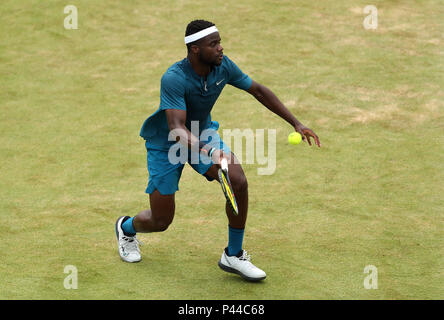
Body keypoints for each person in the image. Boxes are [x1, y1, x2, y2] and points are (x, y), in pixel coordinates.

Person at [115, 19, 321, 282]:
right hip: (166, 143)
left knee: (237, 181)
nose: (220, 48)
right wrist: (209, 152)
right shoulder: (174, 78)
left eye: (220, 42)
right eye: (214, 44)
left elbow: (257, 90)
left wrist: (296, 122)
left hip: (202, 133)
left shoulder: (223, 67)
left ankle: (233, 255)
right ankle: (126, 228)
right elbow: (177, 128)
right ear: (195, 50)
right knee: (161, 220)